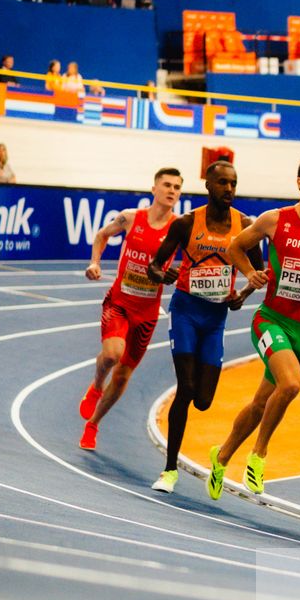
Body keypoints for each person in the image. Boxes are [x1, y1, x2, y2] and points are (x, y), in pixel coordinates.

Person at [206, 154, 300, 496]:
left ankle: (222, 455)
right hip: (272, 319)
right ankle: (258, 456)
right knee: (290, 385)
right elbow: (235, 247)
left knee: (262, 402)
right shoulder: (275, 220)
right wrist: (250, 274)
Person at [144, 160, 257, 494]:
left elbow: (258, 272)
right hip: (186, 313)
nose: (229, 189)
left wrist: (243, 294)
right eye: (222, 183)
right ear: (208, 185)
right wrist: (160, 274)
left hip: (215, 319)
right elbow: (154, 265)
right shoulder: (186, 223)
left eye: (233, 183)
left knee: (204, 400)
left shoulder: (245, 226)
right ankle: (169, 470)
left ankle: (198, 456)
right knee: (187, 387)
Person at [79, 167, 184, 451]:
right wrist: (95, 262)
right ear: (154, 189)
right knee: (112, 355)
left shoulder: (179, 227)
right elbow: (102, 235)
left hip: (147, 313)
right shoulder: (131, 218)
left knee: (124, 375)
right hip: (120, 303)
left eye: (176, 187)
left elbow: (195, 260)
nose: (171, 190)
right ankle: (97, 383)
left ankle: (94, 424)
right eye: (166, 185)